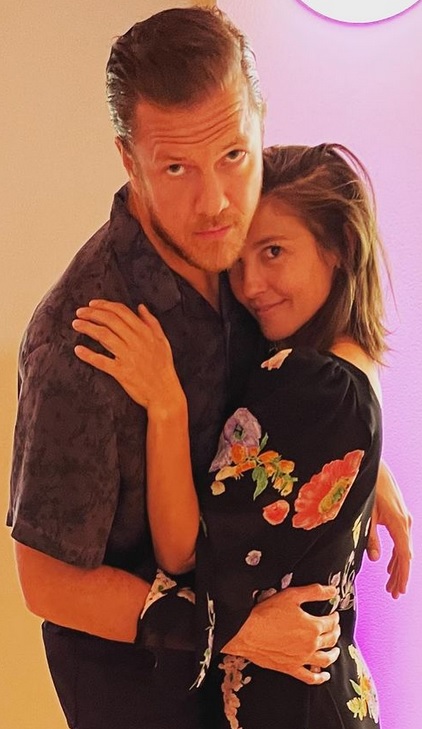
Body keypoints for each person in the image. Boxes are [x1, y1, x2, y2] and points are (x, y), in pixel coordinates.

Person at [7, 6, 410, 729]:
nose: (217, 200)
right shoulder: (79, 339)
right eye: (176, 168)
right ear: (129, 160)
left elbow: (309, 368)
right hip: (142, 693)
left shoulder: (248, 249)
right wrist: (231, 629)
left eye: (233, 154)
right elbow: (47, 581)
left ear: (259, 120)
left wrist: (362, 458)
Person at [72, 142, 410, 728]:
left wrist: (166, 404)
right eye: (239, 258)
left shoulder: (310, 381)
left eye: (274, 251)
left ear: (339, 248)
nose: (250, 284)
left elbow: (185, 552)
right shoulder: (347, 368)